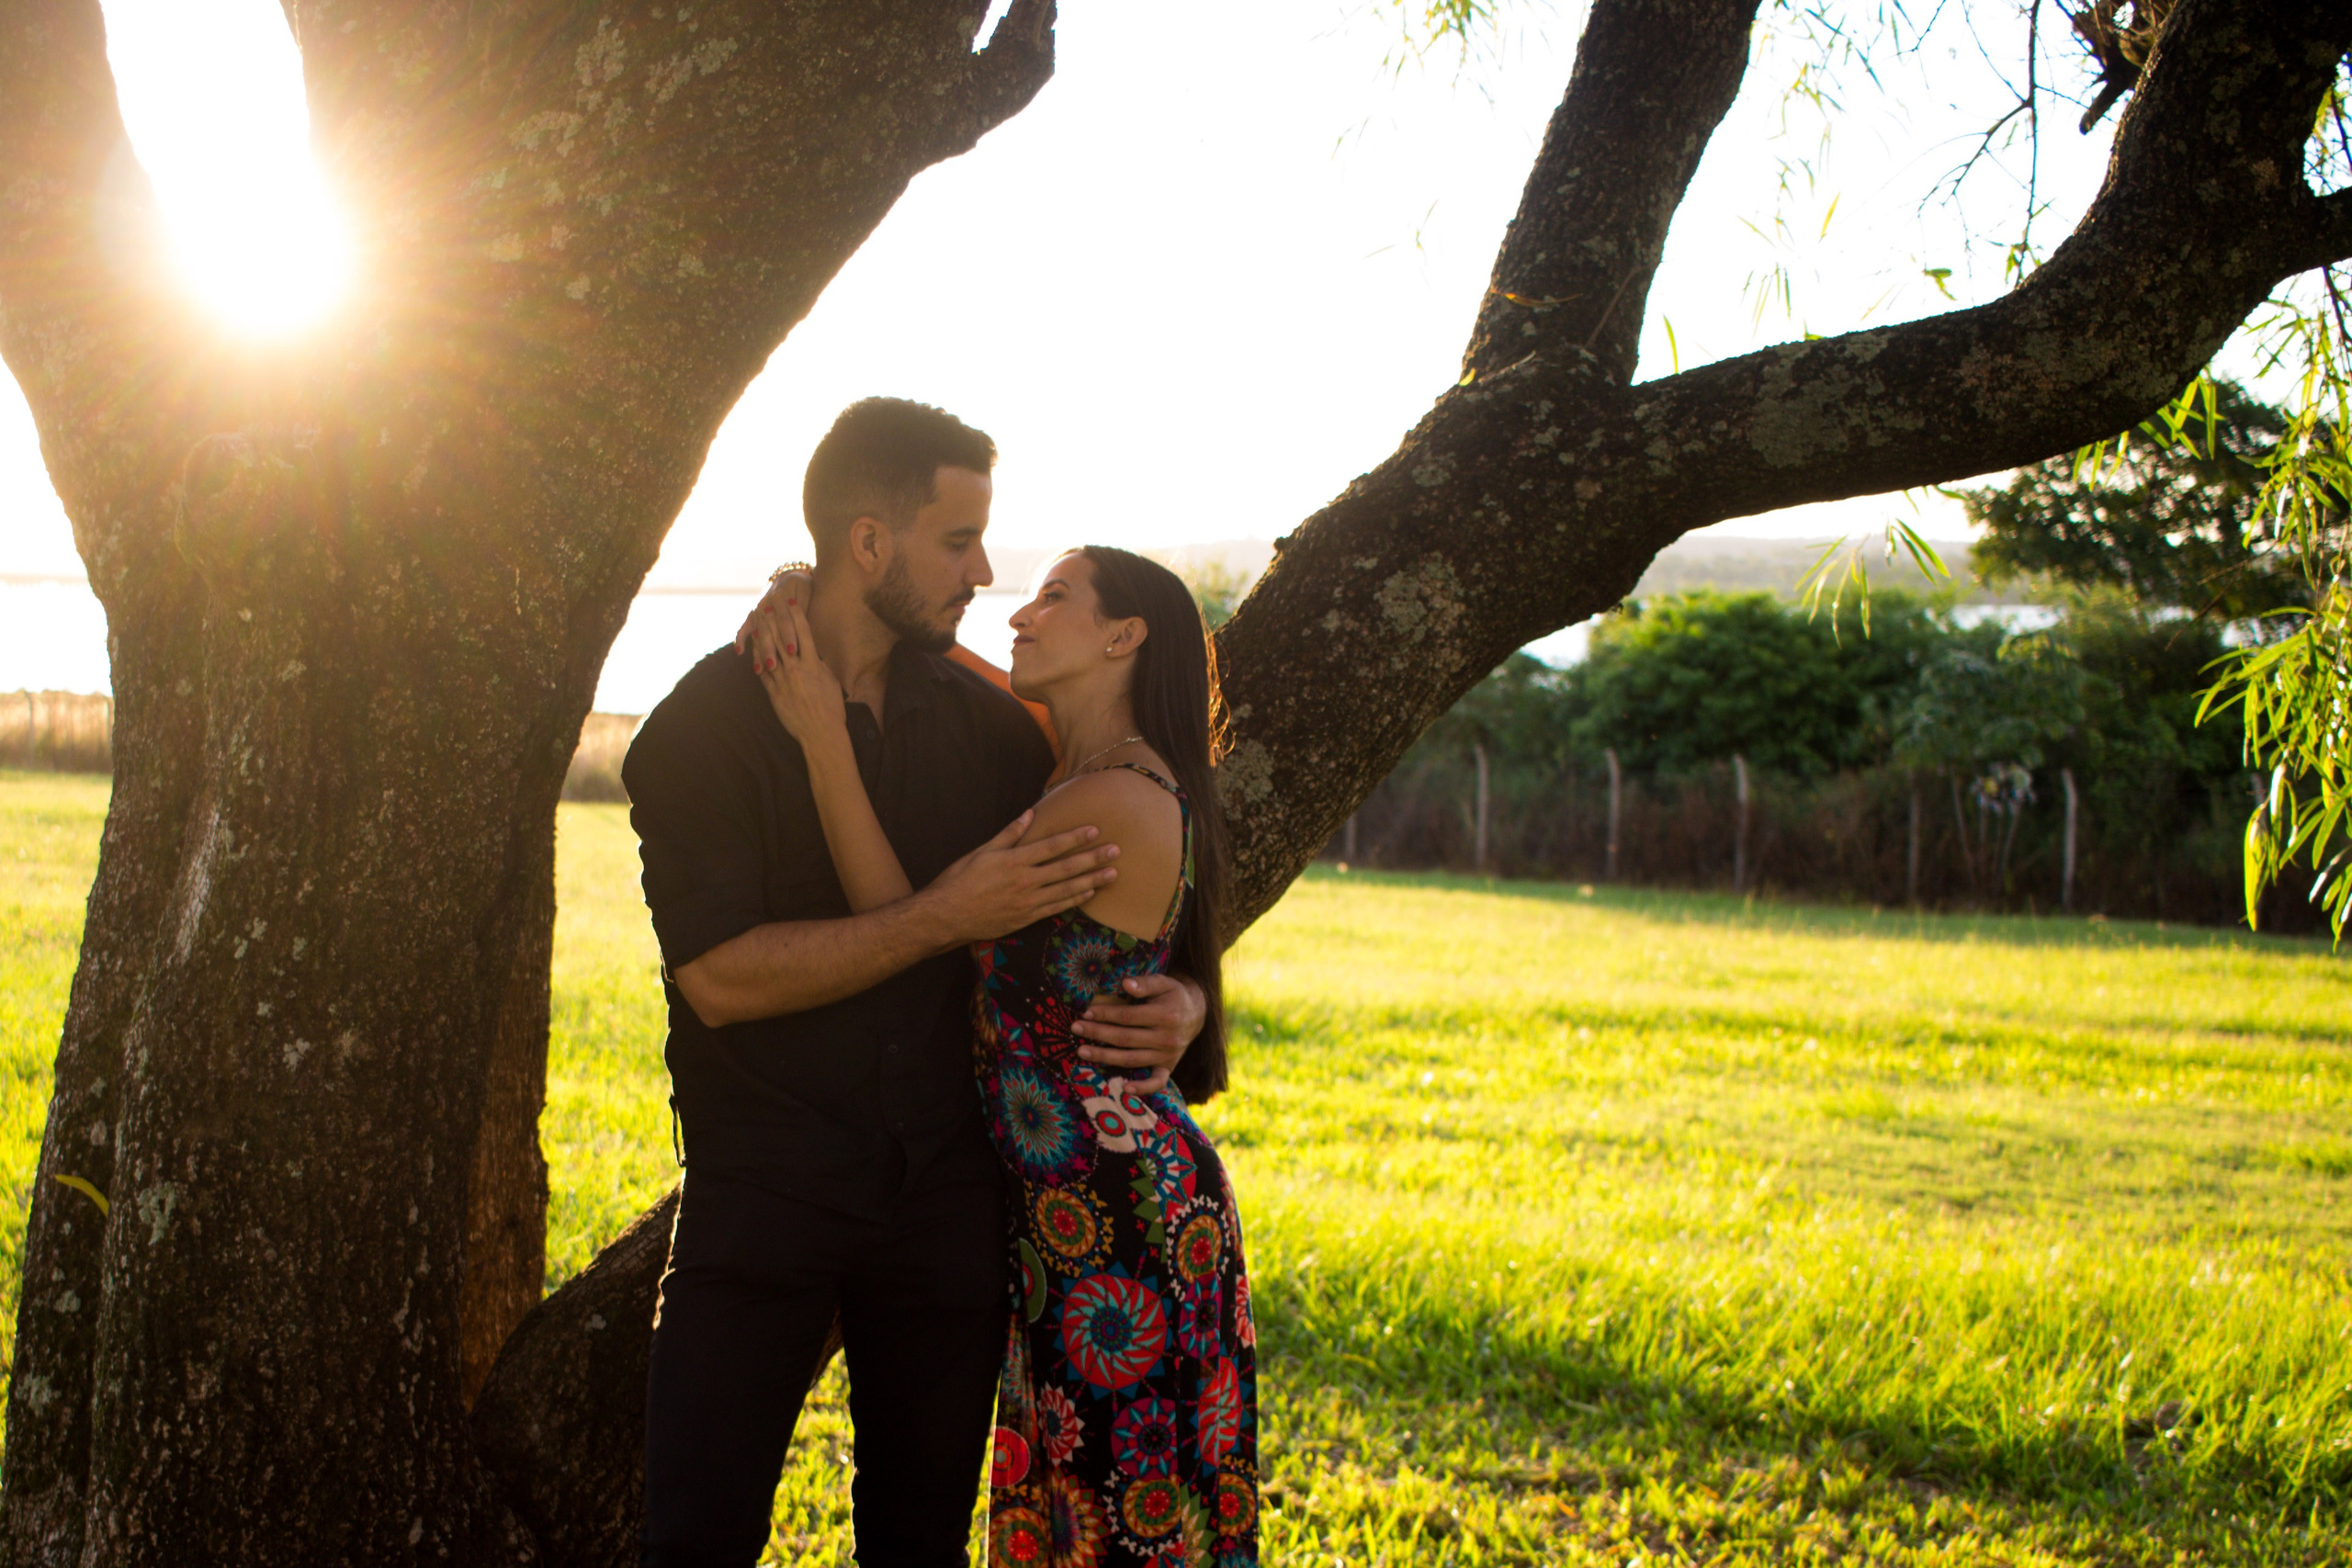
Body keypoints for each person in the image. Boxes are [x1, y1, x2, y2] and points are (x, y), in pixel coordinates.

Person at [622, 399, 1205, 1568]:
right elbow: (723, 979)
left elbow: (1148, 809)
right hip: (766, 1192)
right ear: (870, 544)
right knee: (694, 1536)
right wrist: (941, 917)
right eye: (957, 542)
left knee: (919, 1545)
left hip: (950, 1201)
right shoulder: (703, 729)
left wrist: (1186, 990)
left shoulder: (998, 727)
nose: (984, 573)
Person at [756, 544, 1258, 1568]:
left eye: (1054, 598)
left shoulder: (1105, 801)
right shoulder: (1081, 762)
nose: (1019, 614)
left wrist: (819, 735)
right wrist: (799, 587)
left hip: (1116, 1217)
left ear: (1123, 638)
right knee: (1087, 1511)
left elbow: (901, 922)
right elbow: (946, 659)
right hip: (1076, 1205)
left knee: (1119, 1525)